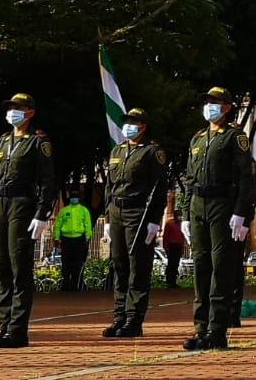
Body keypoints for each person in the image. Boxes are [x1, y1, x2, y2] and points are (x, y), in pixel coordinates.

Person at [182, 86, 256, 351]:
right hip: (198, 205)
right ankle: (200, 328)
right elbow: (189, 180)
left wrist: (242, 213)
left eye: (215, 103)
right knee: (201, 265)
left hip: (223, 205)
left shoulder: (234, 137)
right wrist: (184, 214)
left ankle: (217, 329)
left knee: (220, 266)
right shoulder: (198, 139)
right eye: (207, 102)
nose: (209, 107)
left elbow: (247, 178)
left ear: (227, 107)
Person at [0, 92, 55, 349]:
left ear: (30, 112)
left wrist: (42, 214)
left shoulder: (38, 141)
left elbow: (47, 181)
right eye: (10, 107)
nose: (13, 112)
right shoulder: (2, 142)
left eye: (19, 108)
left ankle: (17, 330)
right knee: (2, 268)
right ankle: (3, 327)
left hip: (21, 205)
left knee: (18, 268)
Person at [103, 108, 169, 338]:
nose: (128, 125)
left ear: (143, 126)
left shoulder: (152, 152)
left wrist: (154, 220)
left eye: (133, 122)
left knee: (137, 267)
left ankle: (134, 319)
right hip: (117, 211)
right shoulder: (118, 151)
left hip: (139, 213)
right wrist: (108, 218)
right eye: (127, 121)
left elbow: (160, 188)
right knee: (119, 265)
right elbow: (109, 187)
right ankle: (119, 317)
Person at [53, 188, 92, 292]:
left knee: (77, 263)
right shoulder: (64, 210)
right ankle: (65, 285)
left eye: (76, 197)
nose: (74, 199)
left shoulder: (84, 210)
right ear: (70, 198)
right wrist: (56, 238)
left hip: (79, 239)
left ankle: (75, 285)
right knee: (66, 263)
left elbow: (88, 225)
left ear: (79, 198)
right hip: (66, 240)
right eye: (72, 197)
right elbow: (57, 225)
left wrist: (87, 238)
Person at [162, 202, 186, 284]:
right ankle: (169, 281)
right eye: (177, 215)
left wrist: (182, 248)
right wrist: (166, 247)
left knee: (176, 264)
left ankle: (174, 282)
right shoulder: (169, 223)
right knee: (171, 264)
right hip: (171, 246)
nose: (179, 217)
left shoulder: (181, 224)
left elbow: (182, 237)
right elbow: (165, 236)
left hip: (178, 246)